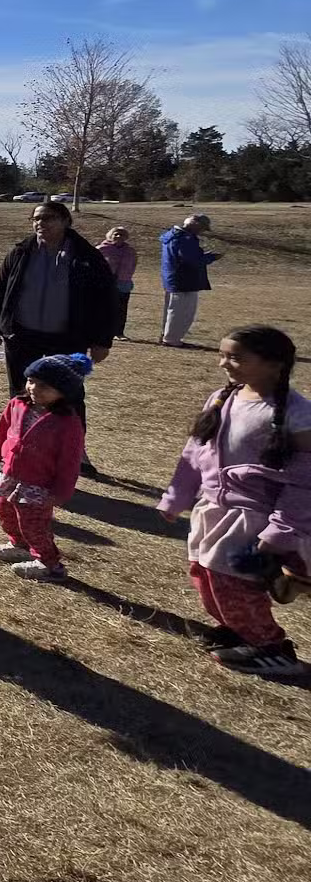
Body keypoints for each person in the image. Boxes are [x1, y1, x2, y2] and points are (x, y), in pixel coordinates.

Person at [159, 326, 311, 679]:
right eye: (223, 355)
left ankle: (271, 647)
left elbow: (304, 482)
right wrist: (176, 497)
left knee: (234, 583)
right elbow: (195, 453)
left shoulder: (296, 413)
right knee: (203, 574)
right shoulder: (222, 397)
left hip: (254, 517)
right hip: (212, 509)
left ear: (275, 365)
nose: (225, 363)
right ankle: (236, 629)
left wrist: (282, 530)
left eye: (237, 358)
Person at [0, 201, 115, 471]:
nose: (41, 223)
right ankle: (19, 446)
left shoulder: (87, 256)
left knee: (70, 395)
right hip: (22, 335)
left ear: (66, 221)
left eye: (49, 218)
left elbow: (107, 300)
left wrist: (102, 340)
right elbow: (0, 290)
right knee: (22, 393)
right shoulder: (21, 252)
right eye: (36, 219)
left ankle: (76, 452)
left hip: (67, 337)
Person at [0, 353, 91, 582]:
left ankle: (49, 563)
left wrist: (61, 491)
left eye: (44, 385)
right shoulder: (18, 404)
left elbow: (69, 462)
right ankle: (18, 544)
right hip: (11, 474)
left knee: (33, 523)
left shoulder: (67, 423)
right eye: (31, 381)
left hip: (38, 484)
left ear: (64, 391)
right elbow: (3, 431)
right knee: (7, 513)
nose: (34, 388)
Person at [160, 213, 220, 348]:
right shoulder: (186, 239)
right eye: (202, 228)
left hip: (172, 277)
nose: (202, 231)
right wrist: (210, 258)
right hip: (185, 279)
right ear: (196, 225)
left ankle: (167, 335)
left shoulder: (171, 235)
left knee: (172, 309)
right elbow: (190, 260)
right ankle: (172, 339)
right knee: (182, 311)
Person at [97, 226, 138, 340]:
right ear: (110, 235)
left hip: (124, 283)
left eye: (122, 234)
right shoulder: (102, 249)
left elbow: (133, 264)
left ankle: (119, 333)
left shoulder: (130, 251)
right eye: (116, 234)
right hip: (106, 283)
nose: (119, 236)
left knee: (121, 309)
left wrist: (127, 276)